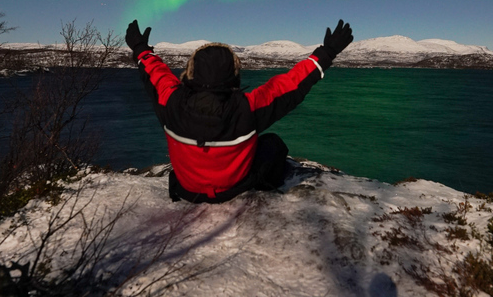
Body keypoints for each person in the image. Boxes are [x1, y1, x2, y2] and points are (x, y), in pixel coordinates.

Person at [125, 19, 353, 204]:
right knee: (273, 144)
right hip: (232, 190)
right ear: (233, 73)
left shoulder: (171, 101)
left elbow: (156, 74)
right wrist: (327, 53)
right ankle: (265, 188)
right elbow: (291, 85)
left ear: (192, 72)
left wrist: (140, 48)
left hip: (187, 190)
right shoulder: (247, 108)